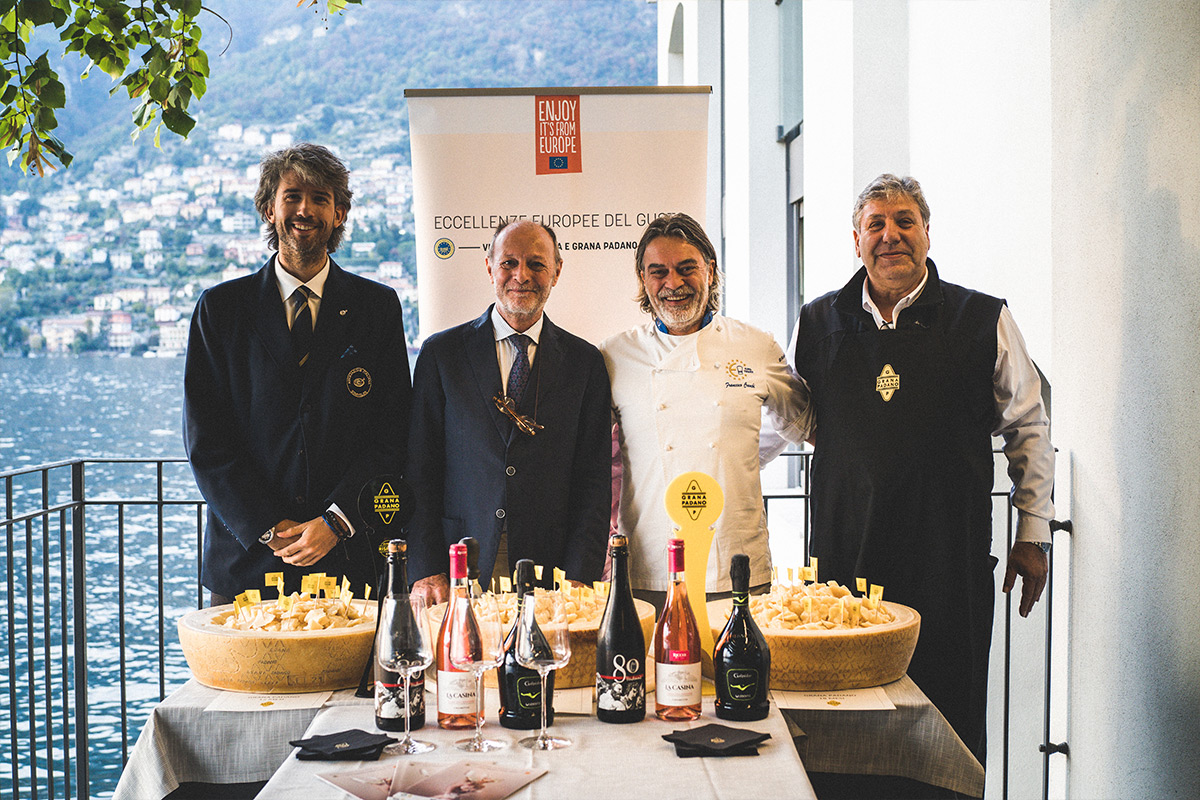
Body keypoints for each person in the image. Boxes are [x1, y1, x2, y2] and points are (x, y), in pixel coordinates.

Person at [789, 173, 1055, 763]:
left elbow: (1029, 426)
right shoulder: (817, 322)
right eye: (875, 224)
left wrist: (1033, 532)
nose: (891, 236)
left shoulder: (983, 318)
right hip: (842, 568)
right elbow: (792, 422)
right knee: (843, 728)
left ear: (927, 233)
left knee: (947, 726)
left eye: (904, 221)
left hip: (947, 562)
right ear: (854, 239)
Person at [184, 143, 411, 606]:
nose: (304, 209)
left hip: (350, 559)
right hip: (247, 565)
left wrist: (336, 521)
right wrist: (268, 527)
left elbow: (392, 432)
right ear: (270, 209)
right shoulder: (221, 310)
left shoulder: (377, 307)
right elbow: (206, 441)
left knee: (358, 682)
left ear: (340, 213)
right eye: (292, 196)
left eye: (320, 198)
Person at [600, 213, 812, 611]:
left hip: (738, 561)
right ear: (643, 279)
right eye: (658, 271)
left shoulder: (756, 346)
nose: (673, 283)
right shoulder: (614, 356)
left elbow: (805, 424)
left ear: (711, 271)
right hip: (647, 569)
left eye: (686, 269)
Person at [406, 219, 611, 603]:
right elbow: (420, 470)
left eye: (536, 264)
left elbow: (594, 482)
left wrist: (581, 574)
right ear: (489, 267)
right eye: (508, 263)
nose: (522, 275)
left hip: (553, 569)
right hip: (458, 564)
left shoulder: (585, 363)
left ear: (557, 271)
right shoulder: (442, 354)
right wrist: (426, 568)